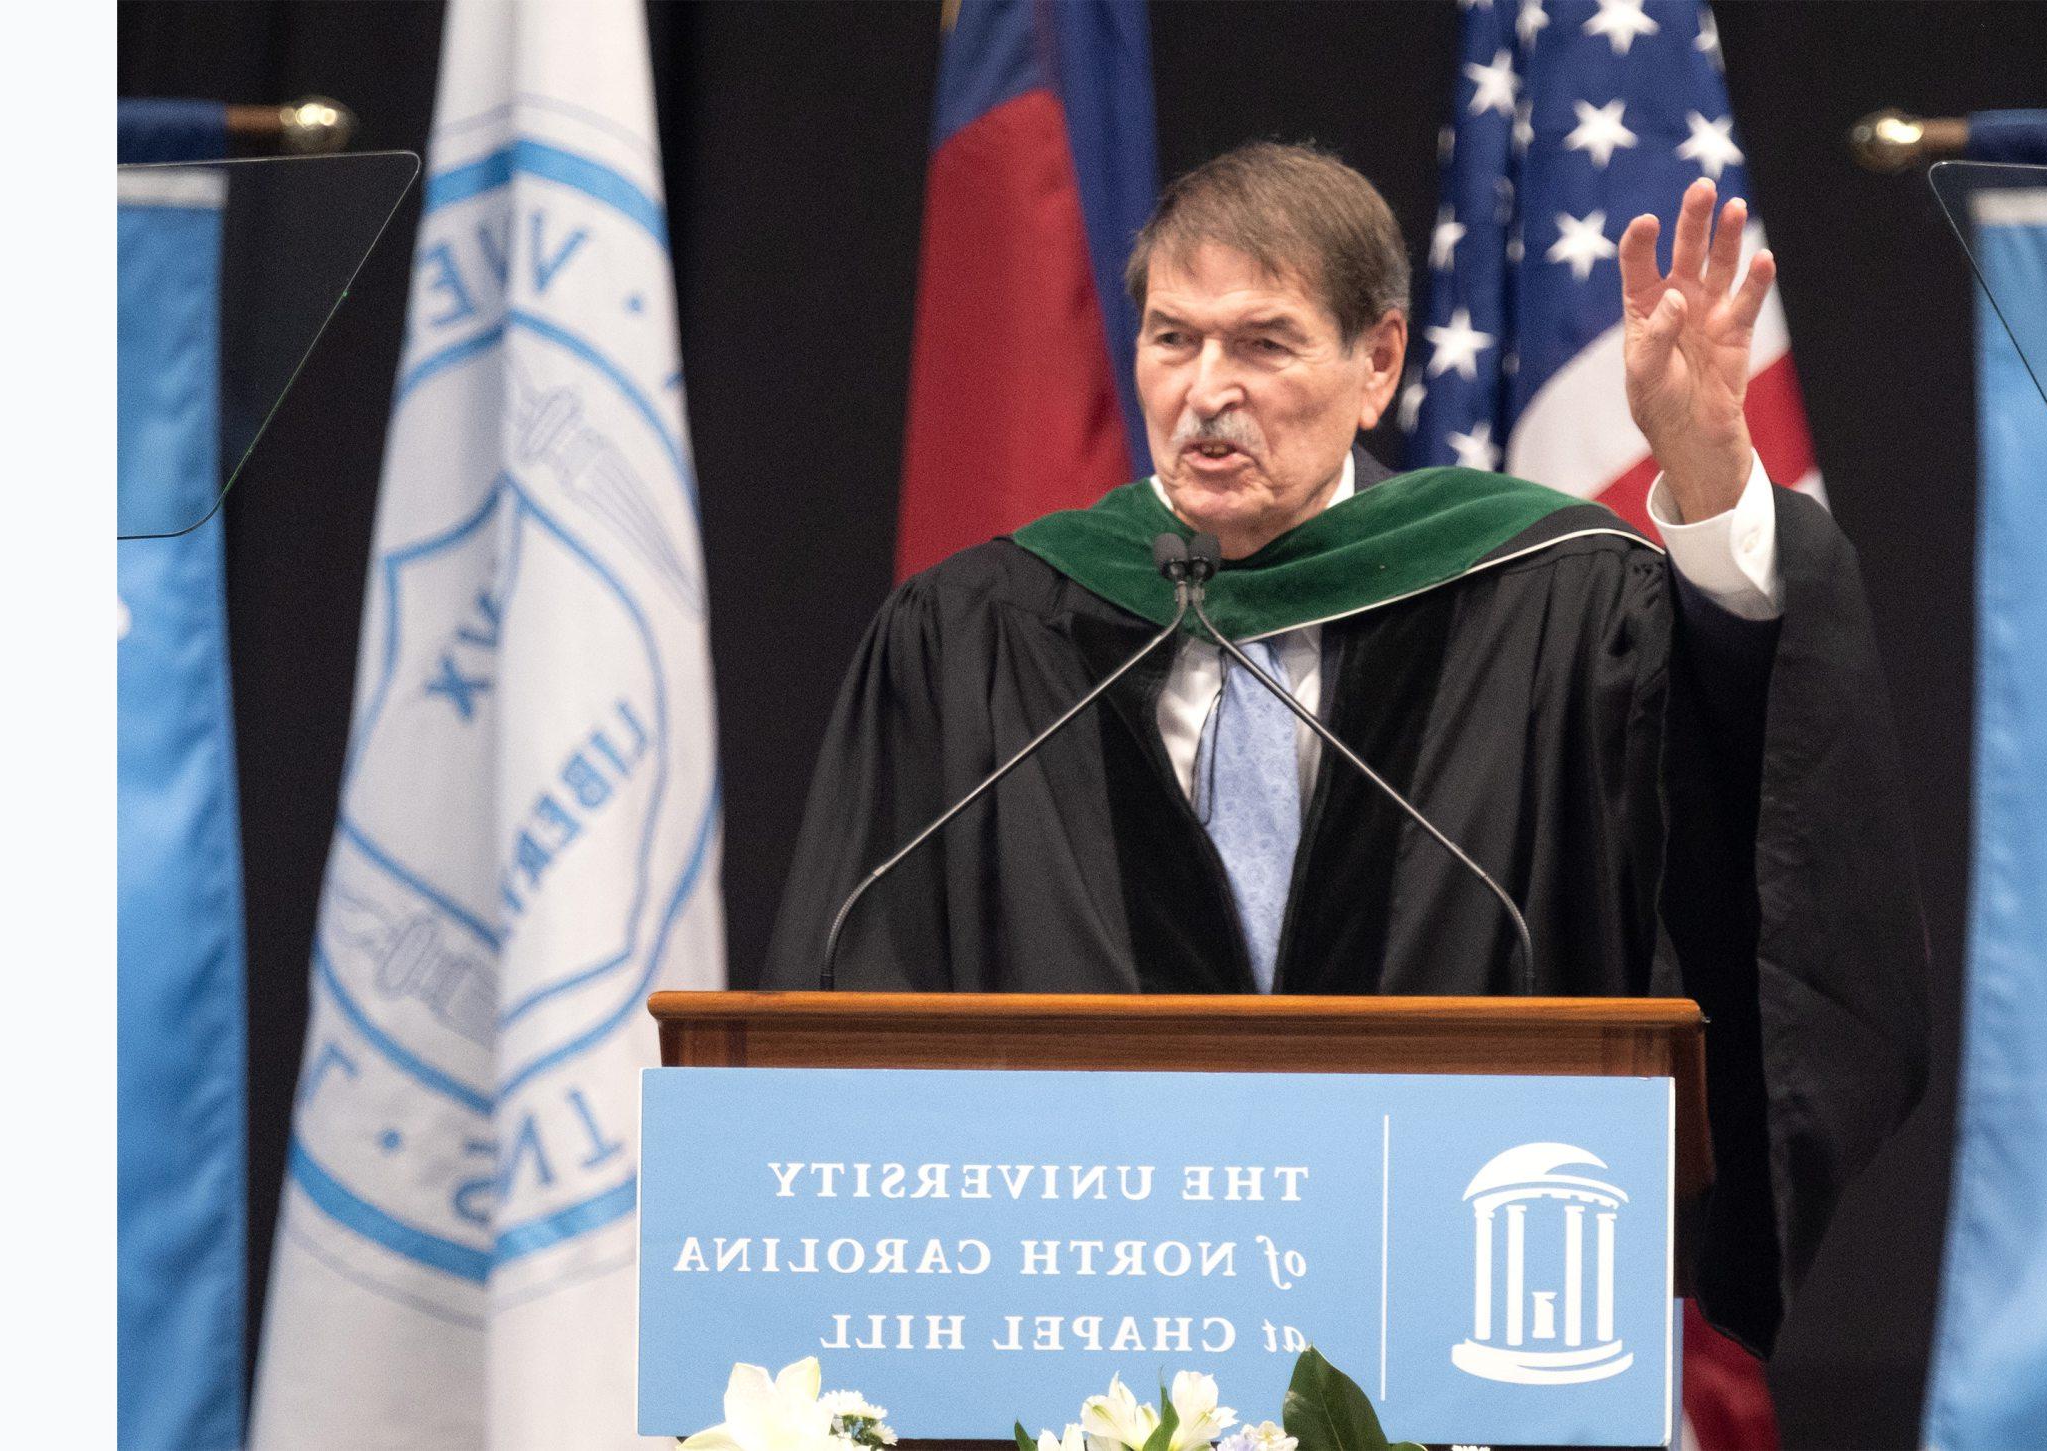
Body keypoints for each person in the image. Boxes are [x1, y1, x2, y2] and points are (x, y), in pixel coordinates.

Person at [764, 143, 1926, 1355]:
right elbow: (857, 997)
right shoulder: (982, 633)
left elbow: (1742, 781)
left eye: (1262, 343)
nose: (1208, 390)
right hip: (1074, 1326)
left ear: (1376, 362)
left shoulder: (1535, 599)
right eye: (1174, 339)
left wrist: (1705, 472)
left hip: (1449, 1322)